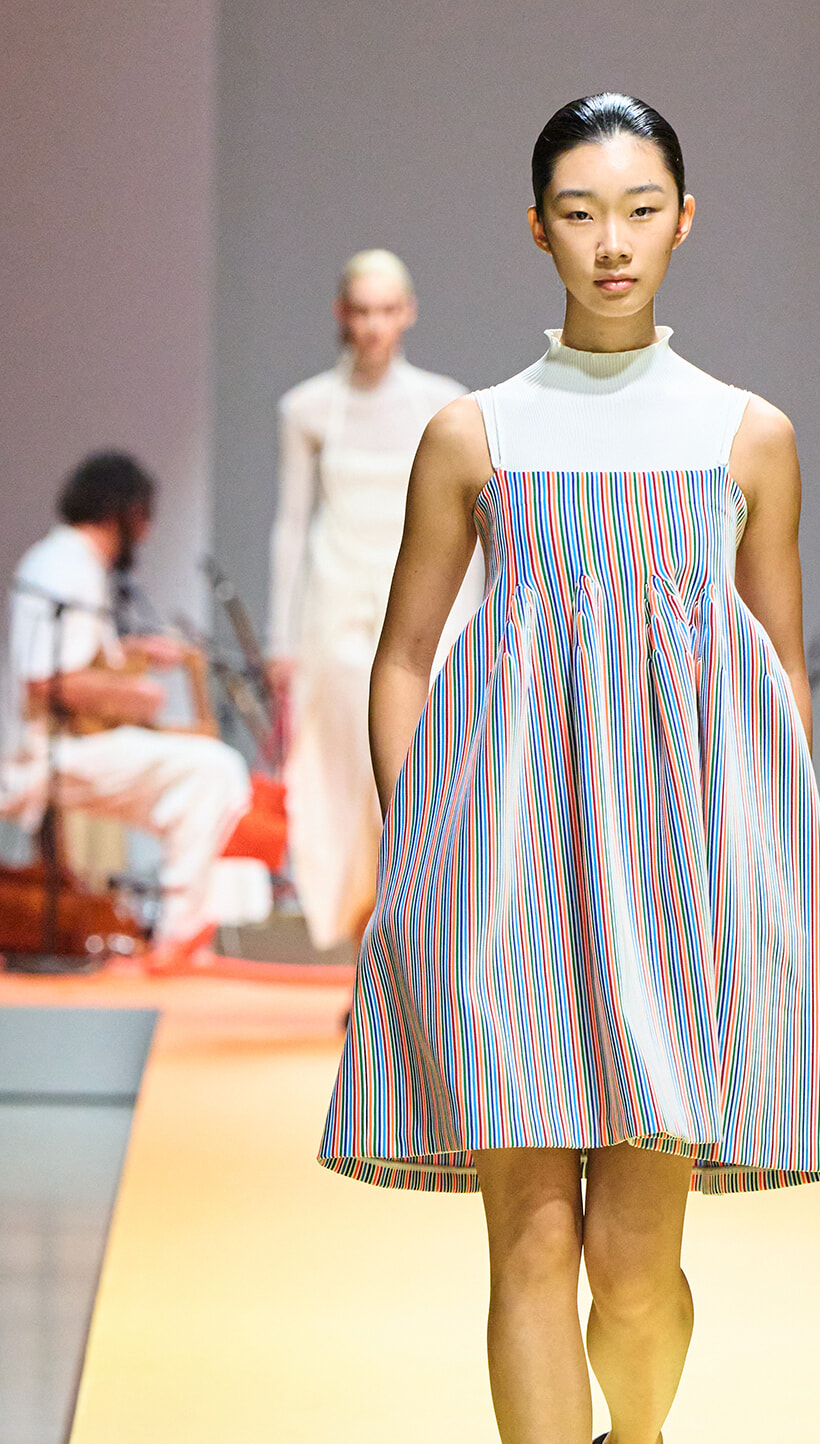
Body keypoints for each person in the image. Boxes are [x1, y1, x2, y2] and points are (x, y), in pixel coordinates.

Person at [319, 95, 820, 1444]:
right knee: (531, 1240)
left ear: (684, 218)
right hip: (504, 878)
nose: (609, 239)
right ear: (536, 227)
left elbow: (776, 672)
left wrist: (770, 884)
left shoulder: (747, 434)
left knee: (637, 1261)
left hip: (682, 880)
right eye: (577, 209)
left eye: (637, 207)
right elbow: (404, 656)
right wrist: (424, 849)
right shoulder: (476, 435)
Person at [269, 248, 483, 950]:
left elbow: (468, 524)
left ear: (408, 314)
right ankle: (359, 935)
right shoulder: (306, 408)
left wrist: (478, 626)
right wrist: (280, 639)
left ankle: (407, 932)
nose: (373, 326)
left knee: (420, 764)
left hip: (425, 606)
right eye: (361, 311)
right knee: (338, 767)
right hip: (334, 605)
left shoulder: (440, 404)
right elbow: (292, 526)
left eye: (387, 310)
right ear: (341, 315)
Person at [0, 452, 251, 962]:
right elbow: (45, 681)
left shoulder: (69, 563)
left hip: (71, 746)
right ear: (124, 512)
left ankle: (179, 930)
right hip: (50, 753)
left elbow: (76, 660)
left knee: (204, 776)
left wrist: (135, 653)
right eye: (145, 517)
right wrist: (137, 695)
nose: (149, 532)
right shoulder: (66, 565)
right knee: (212, 771)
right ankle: (178, 936)